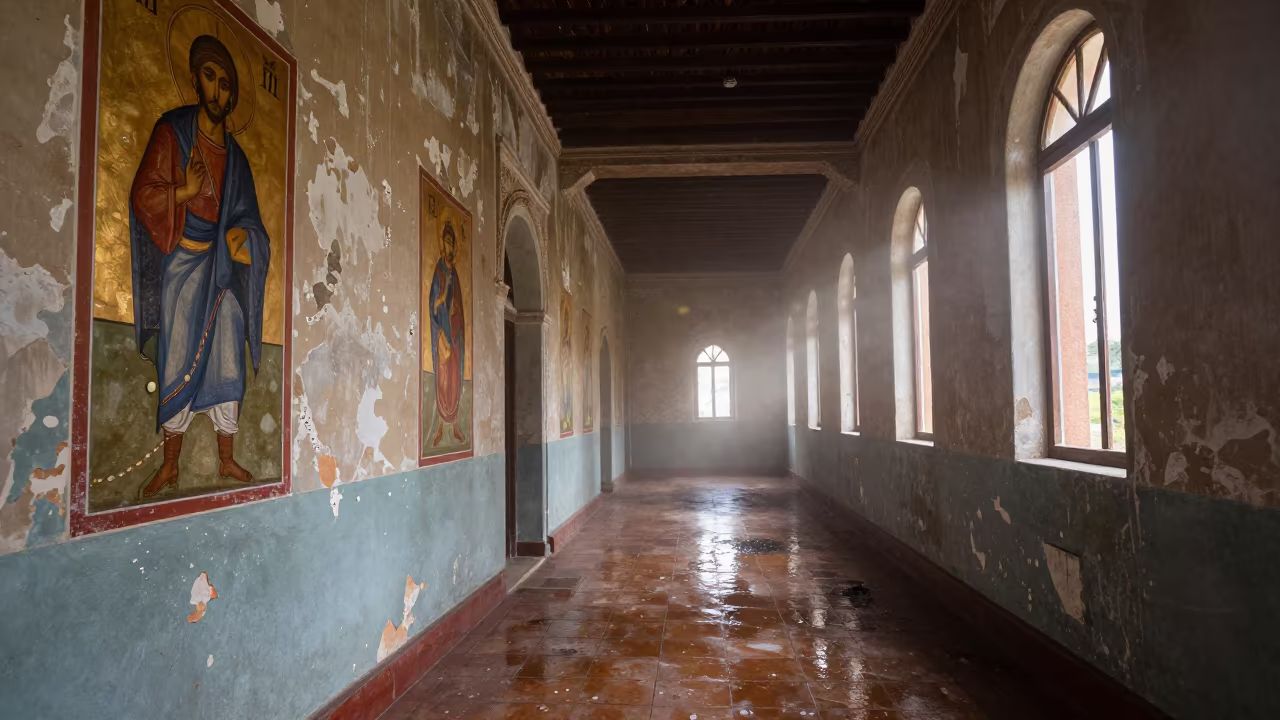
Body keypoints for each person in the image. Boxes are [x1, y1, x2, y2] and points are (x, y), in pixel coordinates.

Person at [130, 34, 269, 497]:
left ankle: (226, 459)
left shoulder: (238, 161)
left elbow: (253, 225)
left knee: (229, 354)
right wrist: (185, 192)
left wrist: (243, 238)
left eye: (225, 84)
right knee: (176, 360)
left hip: (222, 269)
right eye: (210, 77)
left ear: (231, 96)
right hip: (182, 266)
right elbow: (143, 197)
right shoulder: (173, 132)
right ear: (194, 79)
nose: (217, 90)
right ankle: (171, 465)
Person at [428, 220, 466, 446]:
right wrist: (442, 301)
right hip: (442, 335)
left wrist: (456, 319)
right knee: (442, 379)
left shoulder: (456, 275)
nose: (449, 245)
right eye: (446, 241)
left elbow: (459, 305)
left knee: (454, 379)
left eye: (452, 242)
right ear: (443, 243)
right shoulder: (439, 271)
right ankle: (441, 426)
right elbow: (433, 304)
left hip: (455, 335)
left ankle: (455, 424)